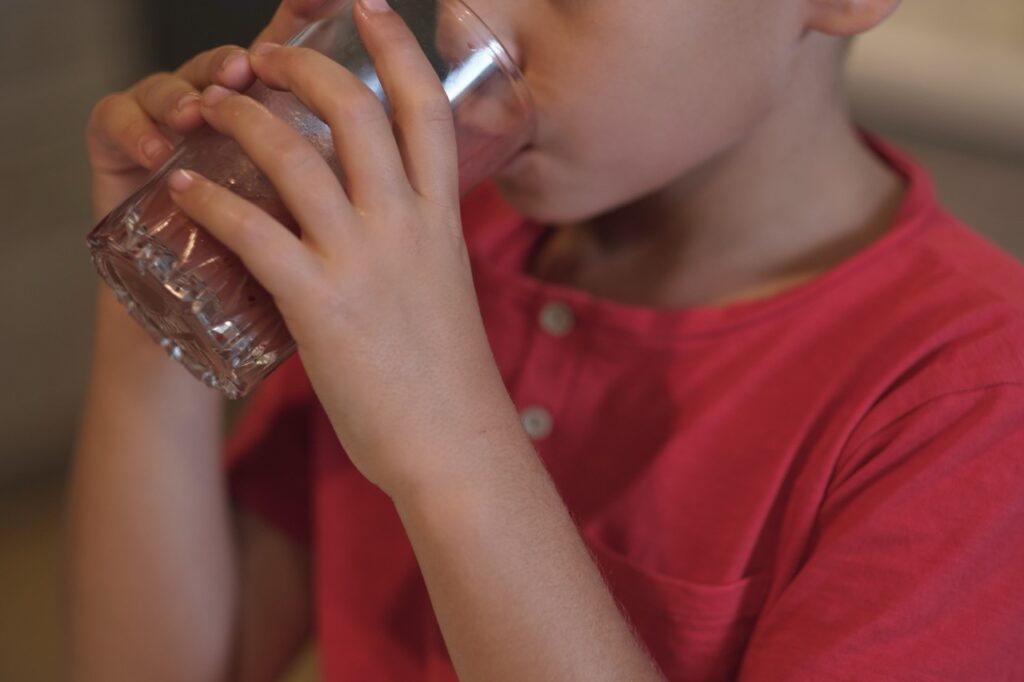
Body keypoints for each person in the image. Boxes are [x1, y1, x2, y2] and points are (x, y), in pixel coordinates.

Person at [67, 0, 1024, 679]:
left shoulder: (971, 403)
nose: (461, 23)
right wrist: (169, 299)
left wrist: (448, 443)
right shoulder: (417, 251)